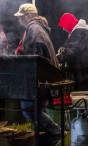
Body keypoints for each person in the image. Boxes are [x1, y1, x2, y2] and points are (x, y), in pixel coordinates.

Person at [14, 3, 61, 146]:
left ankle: (55, 132)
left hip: (40, 77)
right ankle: (43, 139)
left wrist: (28, 63)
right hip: (43, 76)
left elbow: (38, 51)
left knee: (29, 109)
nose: (19, 20)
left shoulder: (33, 28)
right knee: (32, 109)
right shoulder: (37, 27)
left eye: (21, 17)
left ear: (28, 16)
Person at [57, 13, 88, 91]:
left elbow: (72, 51)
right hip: (81, 73)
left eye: (64, 26)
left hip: (84, 73)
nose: (63, 29)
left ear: (69, 23)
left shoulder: (80, 32)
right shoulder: (75, 32)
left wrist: (57, 59)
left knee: (83, 98)